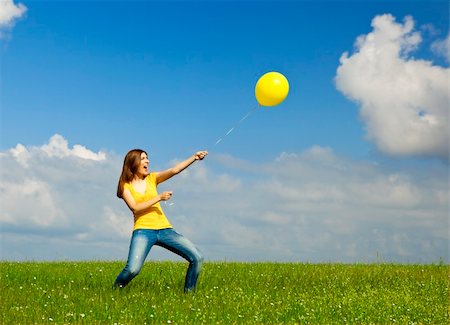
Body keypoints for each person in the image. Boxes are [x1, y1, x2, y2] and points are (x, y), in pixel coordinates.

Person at [114, 149, 208, 292]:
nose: (147, 161)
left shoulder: (152, 178)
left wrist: (194, 157)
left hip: (165, 230)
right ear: (133, 163)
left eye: (147, 158)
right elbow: (135, 208)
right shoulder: (125, 186)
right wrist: (159, 197)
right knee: (132, 269)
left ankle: (189, 295)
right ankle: (115, 291)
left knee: (197, 257)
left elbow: (175, 170)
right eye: (143, 158)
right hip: (143, 231)